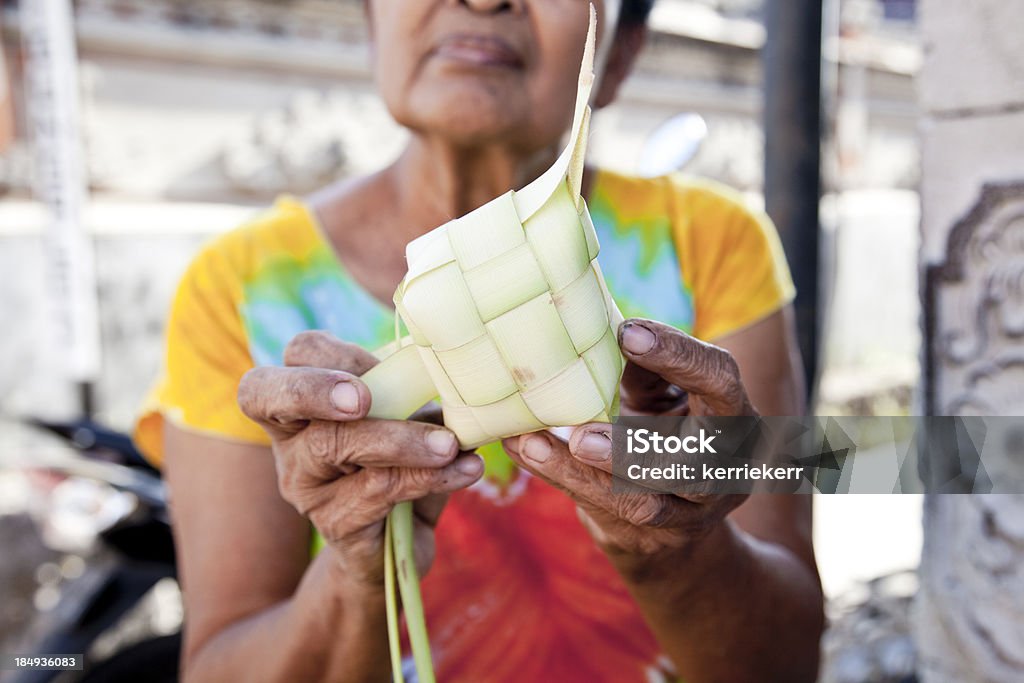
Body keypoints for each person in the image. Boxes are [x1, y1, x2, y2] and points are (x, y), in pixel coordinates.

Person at [135, 0, 824, 680]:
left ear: (620, 54)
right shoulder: (240, 287)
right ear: (372, 19)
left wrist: (677, 549)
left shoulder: (710, 242)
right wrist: (353, 572)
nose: (484, 0)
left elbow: (789, 659)